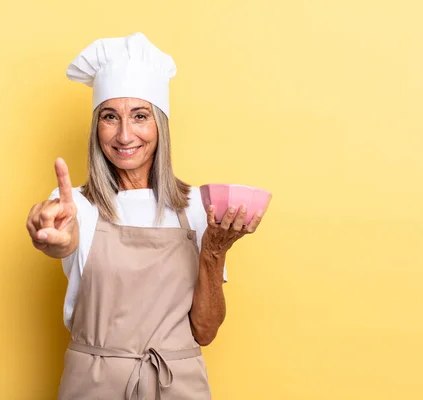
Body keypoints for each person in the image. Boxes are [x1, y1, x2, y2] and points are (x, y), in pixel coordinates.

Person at [26, 32, 267, 400]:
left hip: (177, 387)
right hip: (94, 388)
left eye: (140, 116)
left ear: (160, 126)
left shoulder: (196, 208)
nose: (125, 135)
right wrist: (54, 240)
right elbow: (65, 240)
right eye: (110, 117)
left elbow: (204, 332)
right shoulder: (77, 206)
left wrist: (214, 253)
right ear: (97, 128)